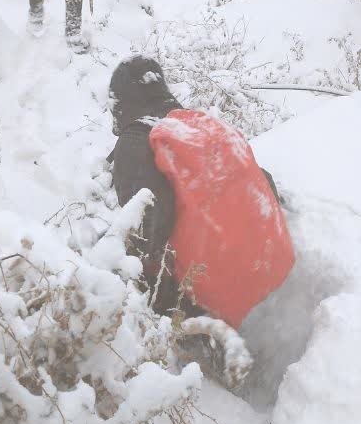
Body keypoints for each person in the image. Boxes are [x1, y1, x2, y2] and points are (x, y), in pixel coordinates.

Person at [107, 55, 290, 321]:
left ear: (120, 102)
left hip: (218, 297)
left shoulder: (134, 142)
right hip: (274, 266)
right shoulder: (200, 124)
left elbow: (149, 226)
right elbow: (261, 180)